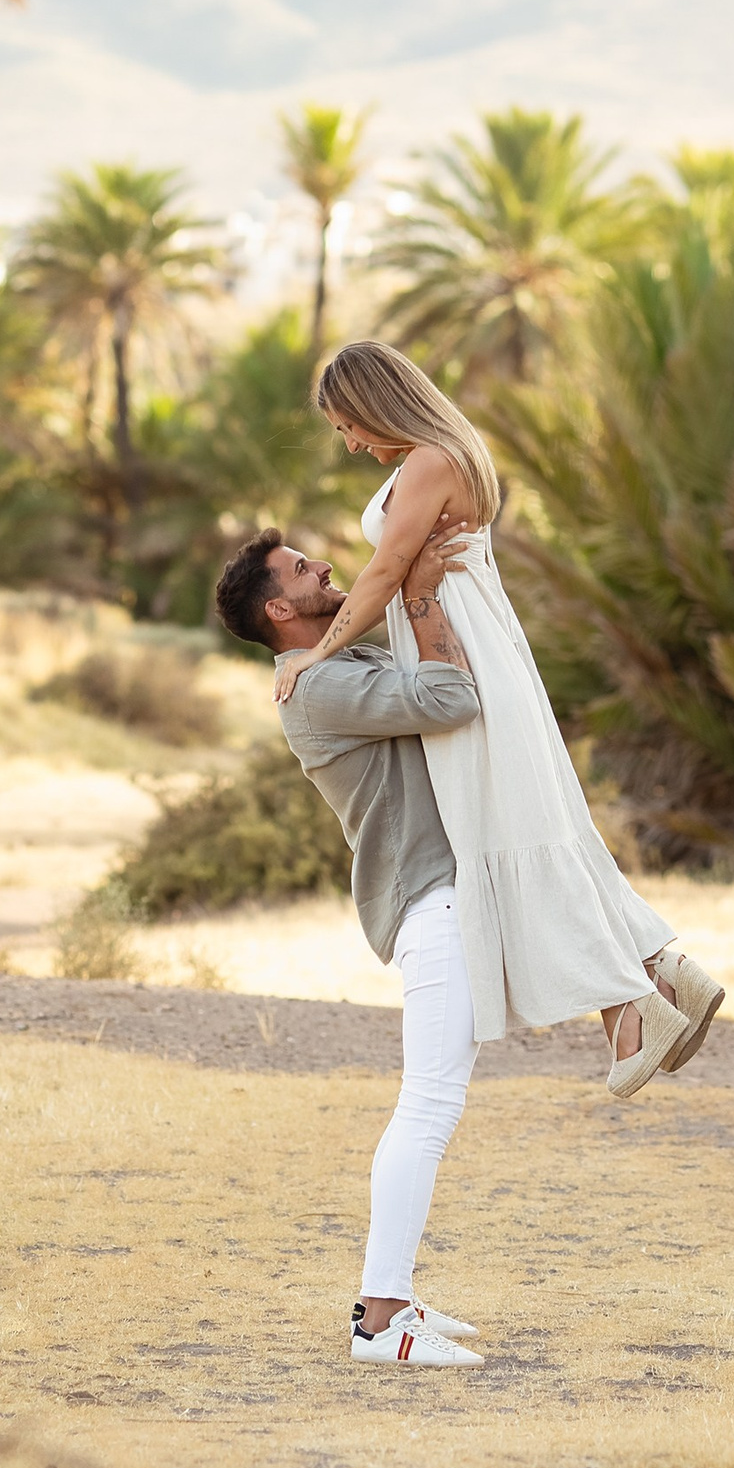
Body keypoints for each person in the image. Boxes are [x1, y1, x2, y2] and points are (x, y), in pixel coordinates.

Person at [274, 339, 725, 1098]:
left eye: (349, 425)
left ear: (379, 402)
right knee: (532, 826)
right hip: (471, 647)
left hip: (466, 659)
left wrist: (318, 652)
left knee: (515, 835)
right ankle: (659, 970)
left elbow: (386, 571)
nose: (350, 443)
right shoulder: (441, 453)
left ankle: (632, 1011)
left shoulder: (428, 461)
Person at [214, 518, 491, 1368]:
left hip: (442, 901)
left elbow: (380, 622)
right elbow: (452, 699)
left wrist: (411, 576)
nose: (323, 563)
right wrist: (414, 588)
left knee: (433, 1101)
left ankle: (391, 1299)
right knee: (429, 1104)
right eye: (302, 567)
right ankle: (382, 1321)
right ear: (277, 607)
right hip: (428, 904)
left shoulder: (328, 662)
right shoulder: (317, 687)